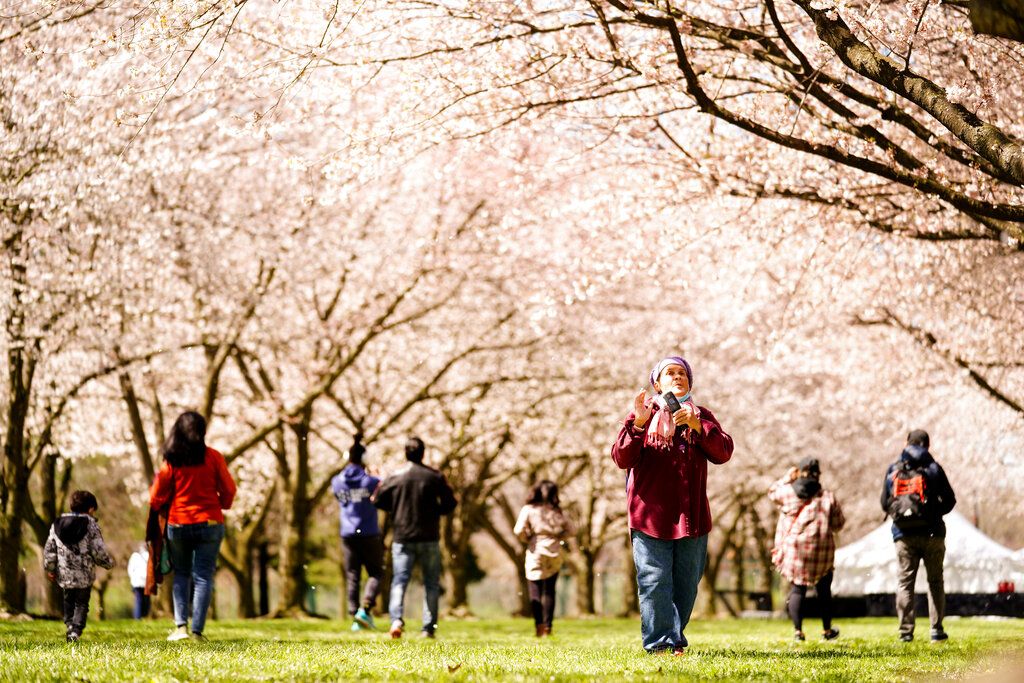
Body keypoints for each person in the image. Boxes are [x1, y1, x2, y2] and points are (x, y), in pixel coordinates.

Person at [611, 355, 734, 655]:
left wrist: (698, 425)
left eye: (682, 373)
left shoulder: (701, 415)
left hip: (691, 518)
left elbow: (723, 452)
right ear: (657, 383)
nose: (677, 377)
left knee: (686, 585)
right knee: (653, 582)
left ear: (690, 382)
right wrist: (638, 425)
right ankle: (660, 643)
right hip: (649, 517)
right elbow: (620, 458)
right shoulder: (643, 414)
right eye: (669, 373)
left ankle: (674, 635)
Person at [149, 411, 237, 642]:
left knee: (182, 574)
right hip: (210, 522)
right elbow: (229, 490)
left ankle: (180, 628)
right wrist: (221, 505)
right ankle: (197, 631)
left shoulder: (171, 462)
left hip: (179, 523)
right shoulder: (214, 457)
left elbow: (156, 494)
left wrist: (160, 506)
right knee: (204, 576)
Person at [373, 436, 457, 639]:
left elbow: (377, 499)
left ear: (405, 453)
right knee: (431, 583)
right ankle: (428, 628)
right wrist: (436, 510)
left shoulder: (394, 476)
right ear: (423, 453)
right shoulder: (434, 477)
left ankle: (396, 620)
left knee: (399, 581)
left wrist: (395, 508)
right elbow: (450, 503)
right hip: (429, 535)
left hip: (402, 536)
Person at [881, 429, 956, 643]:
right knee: (935, 581)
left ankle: (905, 632)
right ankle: (936, 630)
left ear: (907, 444)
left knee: (905, 582)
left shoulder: (893, 469)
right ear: (927, 445)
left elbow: (884, 502)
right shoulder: (933, 468)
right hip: (933, 533)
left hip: (903, 535)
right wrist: (932, 513)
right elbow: (950, 500)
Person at [768, 458, 845, 642]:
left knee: (798, 589)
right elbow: (838, 523)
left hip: (796, 552)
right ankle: (827, 630)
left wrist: (787, 477)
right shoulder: (827, 497)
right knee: (824, 590)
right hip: (822, 553)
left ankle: (798, 632)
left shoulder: (787, 493)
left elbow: (772, 492)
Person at [43, 490, 114, 642]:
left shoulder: (57, 523)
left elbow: (50, 548)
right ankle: (76, 630)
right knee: (82, 603)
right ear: (90, 509)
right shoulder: (90, 524)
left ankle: (69, 625)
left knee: (68, 600)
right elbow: (98, 550)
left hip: (64, 573)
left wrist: (50, 568)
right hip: (84, 574)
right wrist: (108, 563)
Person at [331, 433, 384, 631]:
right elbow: (382, 485)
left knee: (352, 574)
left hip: (348, 532)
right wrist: (376, 473)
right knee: (376, 572)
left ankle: (354, 615)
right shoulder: (370, 481)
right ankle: (366, 608)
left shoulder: (337, 481)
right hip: (369, 531)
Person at [514, 480, 573, 637]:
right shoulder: (557, 511)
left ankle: (539, 627)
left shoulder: (529, 509)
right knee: (549, 590)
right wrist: (560, 535)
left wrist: (527, 538)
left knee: (535, 589)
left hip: (536, 549)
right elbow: (572, 529)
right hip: (555, 549)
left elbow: (518, 529)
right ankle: (548, 627)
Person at [127, 544, 151, 619]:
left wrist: (132, 578)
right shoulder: (148, 556)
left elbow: (130, 569)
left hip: (136, 582)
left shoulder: (134, 556)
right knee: (146, 599)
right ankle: (144, 615)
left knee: (138, 599)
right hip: (146, 581)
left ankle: (138, 617)